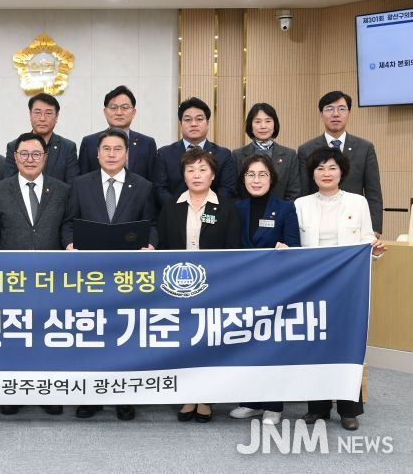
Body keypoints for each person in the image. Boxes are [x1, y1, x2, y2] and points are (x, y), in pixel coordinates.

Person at [63, 127, 157, 422]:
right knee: (91, 336)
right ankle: (90, 397)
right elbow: (68, 223)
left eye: (118, 149)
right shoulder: (81, 184)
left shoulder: (142, 186)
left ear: (127, 154)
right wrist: (69, 244)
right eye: (106, 149)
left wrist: (151, 244)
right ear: (97, 153)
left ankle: (123, 397)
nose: (112, 154)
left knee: (123, 336)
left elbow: (152, 224)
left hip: (127, 274)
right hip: (89, 274)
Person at [295, 146, 385, 431]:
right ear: (312, 174)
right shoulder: (300, 204)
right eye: (320, 168)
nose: (326, 173)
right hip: (312, 286)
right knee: (314, 344)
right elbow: (296, 246)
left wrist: (375, 250)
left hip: (347, 286)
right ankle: (317, 408)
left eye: (332, 168)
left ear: (342, 172)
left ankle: (349, 409)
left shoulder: (358, 203)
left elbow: (367, 239)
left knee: (347, 344)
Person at [0, 132, 70, 416]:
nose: (30, 159)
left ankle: (48, 391)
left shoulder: (62, 190)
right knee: (14, 335)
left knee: (49, 335)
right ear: (15, 157)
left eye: (36, 154)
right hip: (12, 278)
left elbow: (67, 230)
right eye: (24, 154)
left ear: (45, 158)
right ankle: (13, 390)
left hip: (51, 278)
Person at [157, 147, 241, 423]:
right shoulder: (172, 205)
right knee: (183, 341)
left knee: (208, 342)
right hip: (177, 286)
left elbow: (232, 249)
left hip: (214, 287)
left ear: (213, 175)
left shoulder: (226, 207)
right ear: (183, 175)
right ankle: (187, 395)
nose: (196, 175)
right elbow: (164, 246)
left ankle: (206, 398)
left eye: (203, 169)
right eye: (191, 169)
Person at [228, 153, 300, 426]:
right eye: (250, 175)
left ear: (272, 178)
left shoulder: (285, 209)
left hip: (274, 288)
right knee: (246, 344)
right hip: (243, 287)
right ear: (243, 179)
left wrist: (286, 248)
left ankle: (273, 406)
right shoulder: (236, 208)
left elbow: (295, 246)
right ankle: (251, 402)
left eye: (262, 175)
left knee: (272, 346)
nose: (256, 180)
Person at [298, 91, 383, 236]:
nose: (336, 114)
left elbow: (373, 191)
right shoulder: (306, 149)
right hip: (317, 223)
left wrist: (374, 229)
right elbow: (303, 191)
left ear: (349, 113)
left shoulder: (365, 148)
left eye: (342, 109)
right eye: (329, 109)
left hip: (353, 222)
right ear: (321, 114)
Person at [79, 85, 161, 208]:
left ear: (133, 112)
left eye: (125, 107)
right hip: (97, 208)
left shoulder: (147, 143)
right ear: (105, 112)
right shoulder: (90, 142)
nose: (119, 112)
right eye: (113, 107)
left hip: (136, 209)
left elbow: (153, 182)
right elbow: (82, 182)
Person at [157, 97, 237, 205]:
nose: (193, 124)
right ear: (180, 124)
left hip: (212, 213)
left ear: (207, 123)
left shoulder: (223, 155)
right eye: (188, 120)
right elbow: (160, 189)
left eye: (199, 119)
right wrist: (178, 210)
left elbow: (227, 190)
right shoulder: (164, 154)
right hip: (173, 212)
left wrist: (203, 210)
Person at [4, 93, 79, 183]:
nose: (42, 118)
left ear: (57, 116)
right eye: (37, 113)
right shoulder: (14, 146)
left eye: (48, 113)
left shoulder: (67, 147)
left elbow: (73, 185)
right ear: (30, 115)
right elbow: (9, 184)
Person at [232, 103, 300, 201]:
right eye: (257, 121)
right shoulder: (237, 155)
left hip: (281, 209)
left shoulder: (290, 155)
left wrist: (282, 210)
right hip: (245, 209)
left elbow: (294, 192)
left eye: (268, 121)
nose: (263, 126)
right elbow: (234, 191)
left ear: (275, 125)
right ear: (250, 126)